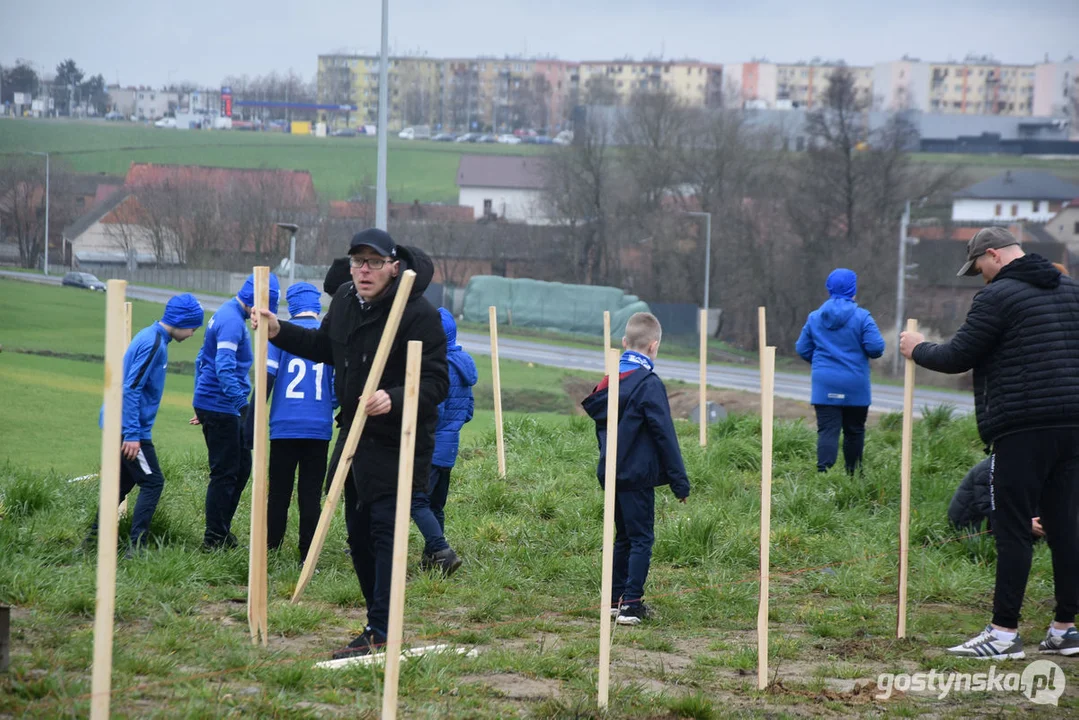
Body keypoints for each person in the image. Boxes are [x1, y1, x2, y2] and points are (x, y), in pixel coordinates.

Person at [252, 229, 448, 659]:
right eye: (358, 261)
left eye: (374, 262)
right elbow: (324, 347)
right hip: (353, 436)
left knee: (384, 534)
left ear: (394, 266)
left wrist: (393, 397)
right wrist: (278, 330)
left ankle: (381, 629)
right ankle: (376, 621)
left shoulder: (418, 314)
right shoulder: (343, 299)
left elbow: (436, 383)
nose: (364, 270)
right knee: (357, 538)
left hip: (400, 440)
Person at [900, 226, 1079, 659]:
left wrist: (917, 347)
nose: (979, 274)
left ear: (994, 255)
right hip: (1074, 426)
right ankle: (1065, 630)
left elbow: (958, 356)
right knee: (1066, 526)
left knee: (1012, 527)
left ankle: (1002, 634)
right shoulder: (1073, 292)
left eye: (978, 265)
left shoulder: (998, 297)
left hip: (1022, 428)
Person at [581, 312, 691, 625]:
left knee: (624, 537)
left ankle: (615, 599)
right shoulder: (648, 384)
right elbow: (665, 435)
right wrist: (679, 482)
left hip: (612, 471)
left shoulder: (608, 381)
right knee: (641, 538)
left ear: (625, 343)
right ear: (654, 346)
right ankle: (630, 604)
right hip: (637, 474)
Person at [84, 294, 205, 556]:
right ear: (181, 321)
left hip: (124, 424)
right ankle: (135, 548)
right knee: (153, 482)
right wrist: (131, 434)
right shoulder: (154, 343)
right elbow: (131, 389)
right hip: (127, 427)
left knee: (122, 484)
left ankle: (92, 542)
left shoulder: (154, 337)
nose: (194, 332)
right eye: (194, 326)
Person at [193, 272, 280, 551]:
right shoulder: (231, 322)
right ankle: (213, 539)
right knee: (225, 472)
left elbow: (199, 360)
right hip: (222, 406)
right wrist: (243, 405)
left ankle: (222, 530)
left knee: (241, 468)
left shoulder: (227, 314)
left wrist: (199, 401)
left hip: (214, 404)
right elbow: (223, 367)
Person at [264, 282, 336, 565]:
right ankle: (308, 554)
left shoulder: (280, 334)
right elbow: (337, 385)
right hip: (319, 428)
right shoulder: (327, 336)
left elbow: (268, 378)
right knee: (310, 493)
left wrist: (254, 415)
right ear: (316, 305)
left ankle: (271, 548)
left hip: (283, 426)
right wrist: (330, 405)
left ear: (291, 305)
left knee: (279, 491)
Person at [796, 268, 885, 474]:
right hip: (855, 383)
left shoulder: (815, 317)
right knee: (854, 431)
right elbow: (876, 348)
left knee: (827, 430)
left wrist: (821, 363)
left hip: (825, 382)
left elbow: (802, 348)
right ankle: (853, 475)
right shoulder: (863, 317)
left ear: (829, 289)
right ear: (853, 290)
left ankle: (823, 475)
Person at [411, 307, 477, 575]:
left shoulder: (438, 368)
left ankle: (442, 550)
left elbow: (431, 412)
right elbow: (468, 411)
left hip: (430, 447)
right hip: (449, 448)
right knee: (435, 504)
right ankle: (431, 560)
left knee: (416, 501)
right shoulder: (463, 365)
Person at [948, 458, 1044, 539]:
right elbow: (988, 507)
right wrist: (1025, 523)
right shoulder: (989, 470)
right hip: (971, 525)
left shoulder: (1023, 467)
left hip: (1000, 519)